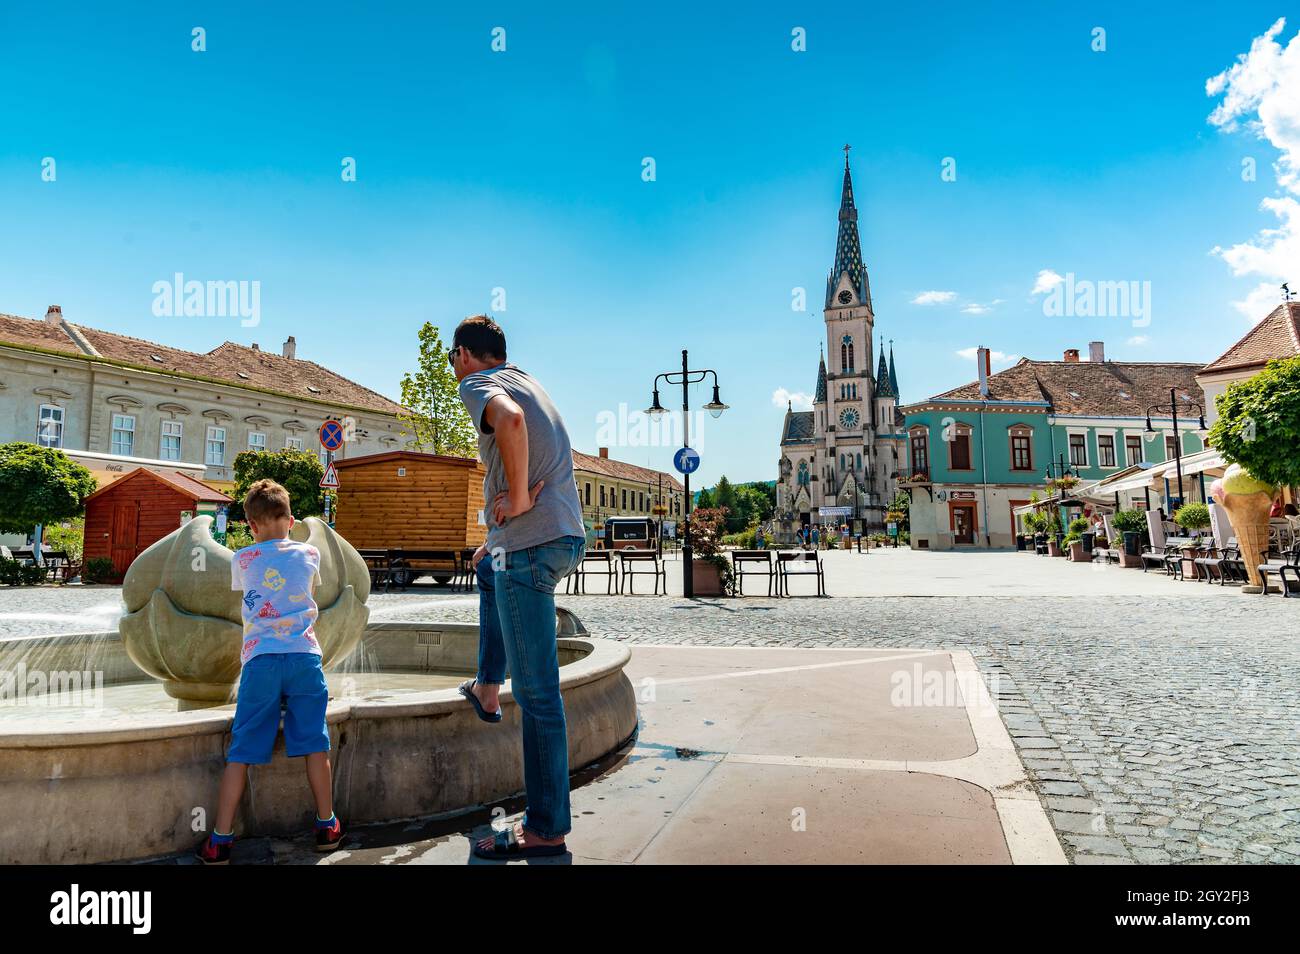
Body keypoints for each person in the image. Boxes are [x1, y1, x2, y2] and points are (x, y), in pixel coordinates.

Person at [451, 315, 586, 860]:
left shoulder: (480, 386)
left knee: (537, 696)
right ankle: (487, 686)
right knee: (487, 568)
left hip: (531, 545)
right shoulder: (526, 380)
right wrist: (500, 535)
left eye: (451, 357)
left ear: (463, 354)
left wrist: (521, 508)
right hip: (558, 536)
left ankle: (545, 829)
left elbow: (506, 424)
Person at [195, 479, 342, 864]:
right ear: (291, 520)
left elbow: (251, 594)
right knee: (315, 743)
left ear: (251, 525)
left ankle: (219, 840)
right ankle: (326, 824)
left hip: (260, 661)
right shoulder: (310, 553)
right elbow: (308, 589)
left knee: (240, 751)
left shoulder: (243, 559)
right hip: (304, 657)